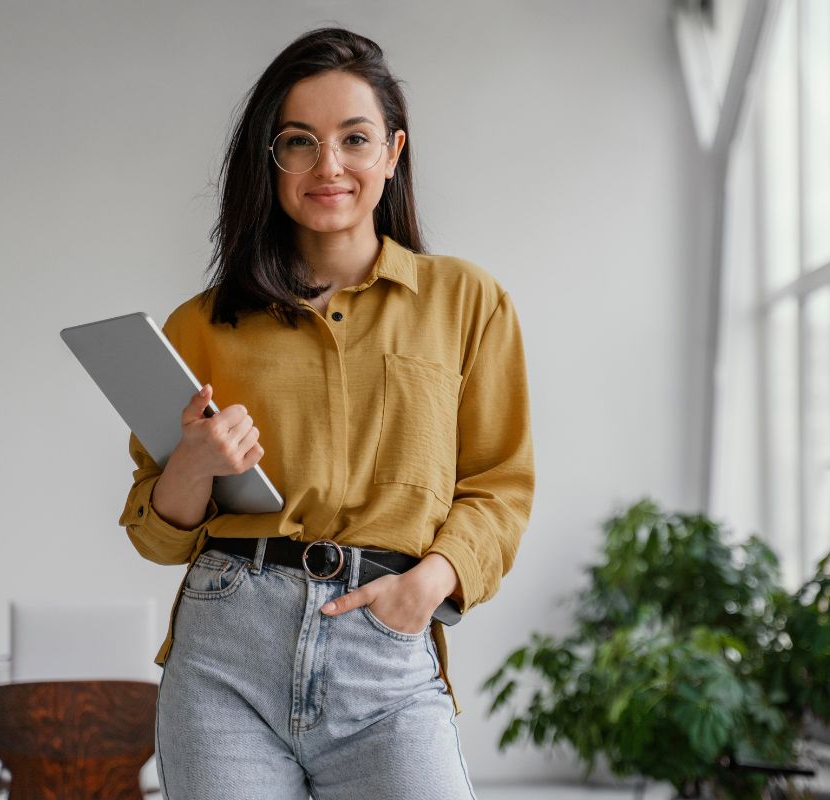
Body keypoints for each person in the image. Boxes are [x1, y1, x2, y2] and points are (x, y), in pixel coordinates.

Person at [119, 27, 534, 800]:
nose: (328, 166)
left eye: (354, 139)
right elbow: (157, 531)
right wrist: (193, 466)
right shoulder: (200, 326)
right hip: (225, 653)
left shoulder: (468, 302)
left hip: (387, 648)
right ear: (269, 161)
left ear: (393, 150)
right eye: (298, 143)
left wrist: (431, 581)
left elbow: (499, 485)